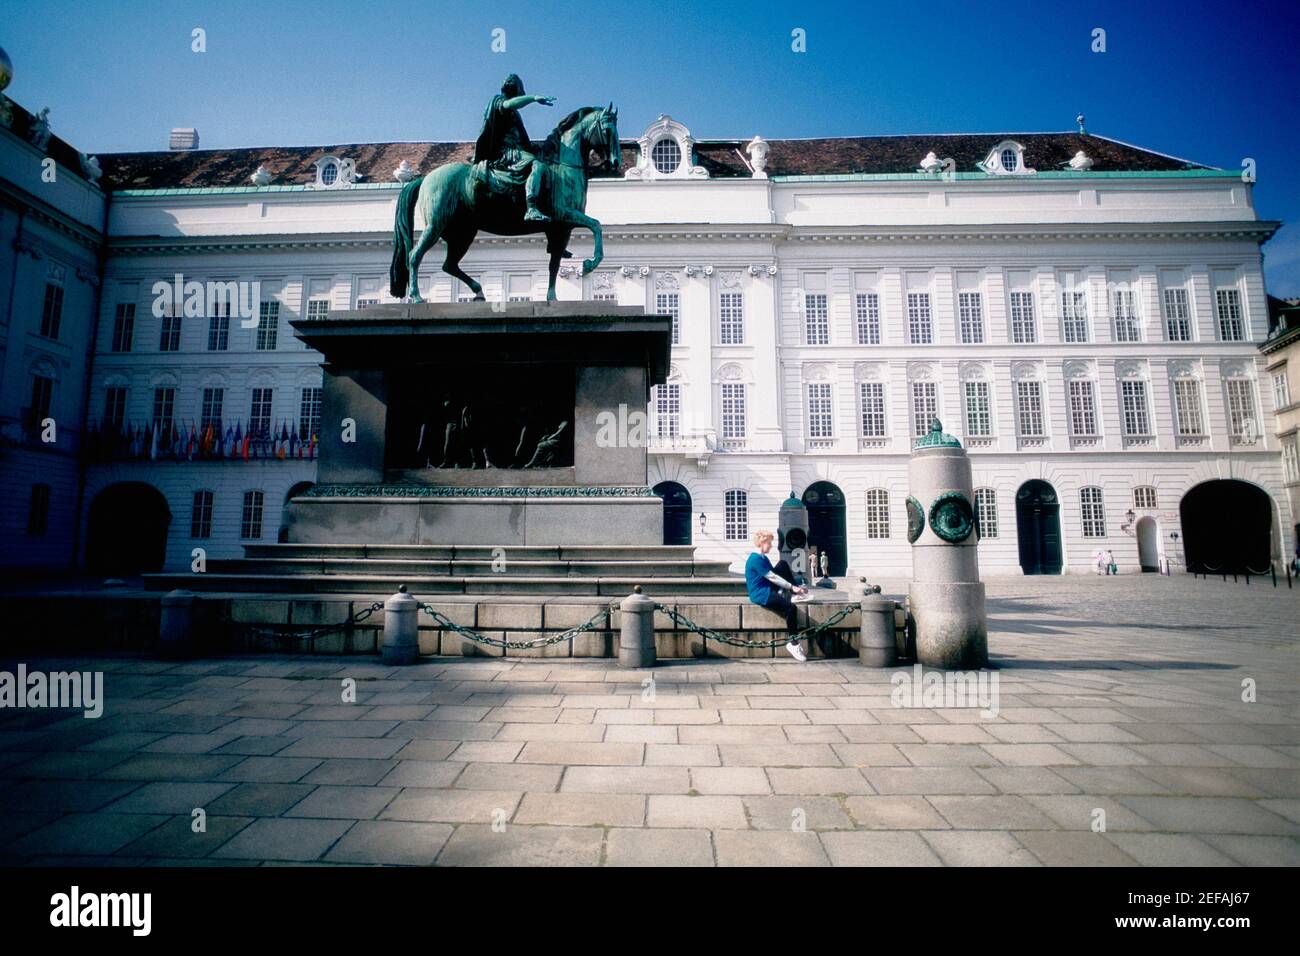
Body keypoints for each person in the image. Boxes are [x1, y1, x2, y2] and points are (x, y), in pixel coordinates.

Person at [472, 74, 557, 225]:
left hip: (518, 151)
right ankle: (531, 208)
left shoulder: (514, 113)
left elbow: (522, 139)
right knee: (538, 165)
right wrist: (534, 98)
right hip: (506, 153)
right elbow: (509, 105)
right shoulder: (498, 101)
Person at [743, 530, 810, 662]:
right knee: (791, 609)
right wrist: (792, 587)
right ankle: (793, 644)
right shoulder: (755, 559)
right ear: (761, 543)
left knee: (783, 564)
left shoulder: (763, 557)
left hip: (767, 587)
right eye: (769, 543)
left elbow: (777, 574)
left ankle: (794, 594)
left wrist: (795, 587)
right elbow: (772, 577)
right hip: (761, 593)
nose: (771, 546)